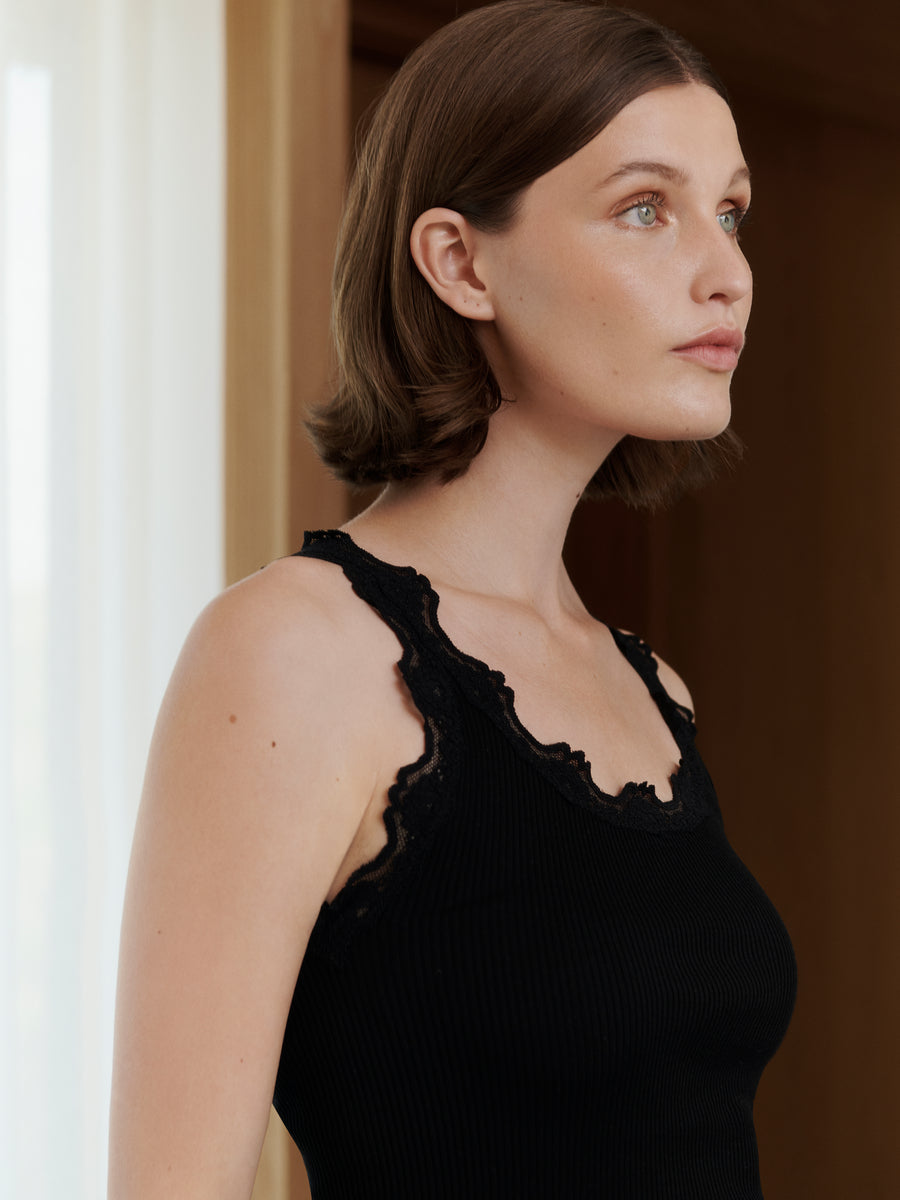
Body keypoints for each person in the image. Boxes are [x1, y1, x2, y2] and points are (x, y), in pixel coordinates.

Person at [108, 2, 797, 1197]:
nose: (725, 270)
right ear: (461, 262)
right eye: (647, 209)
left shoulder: (651, 692)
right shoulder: (293, 653)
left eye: (728, 212)